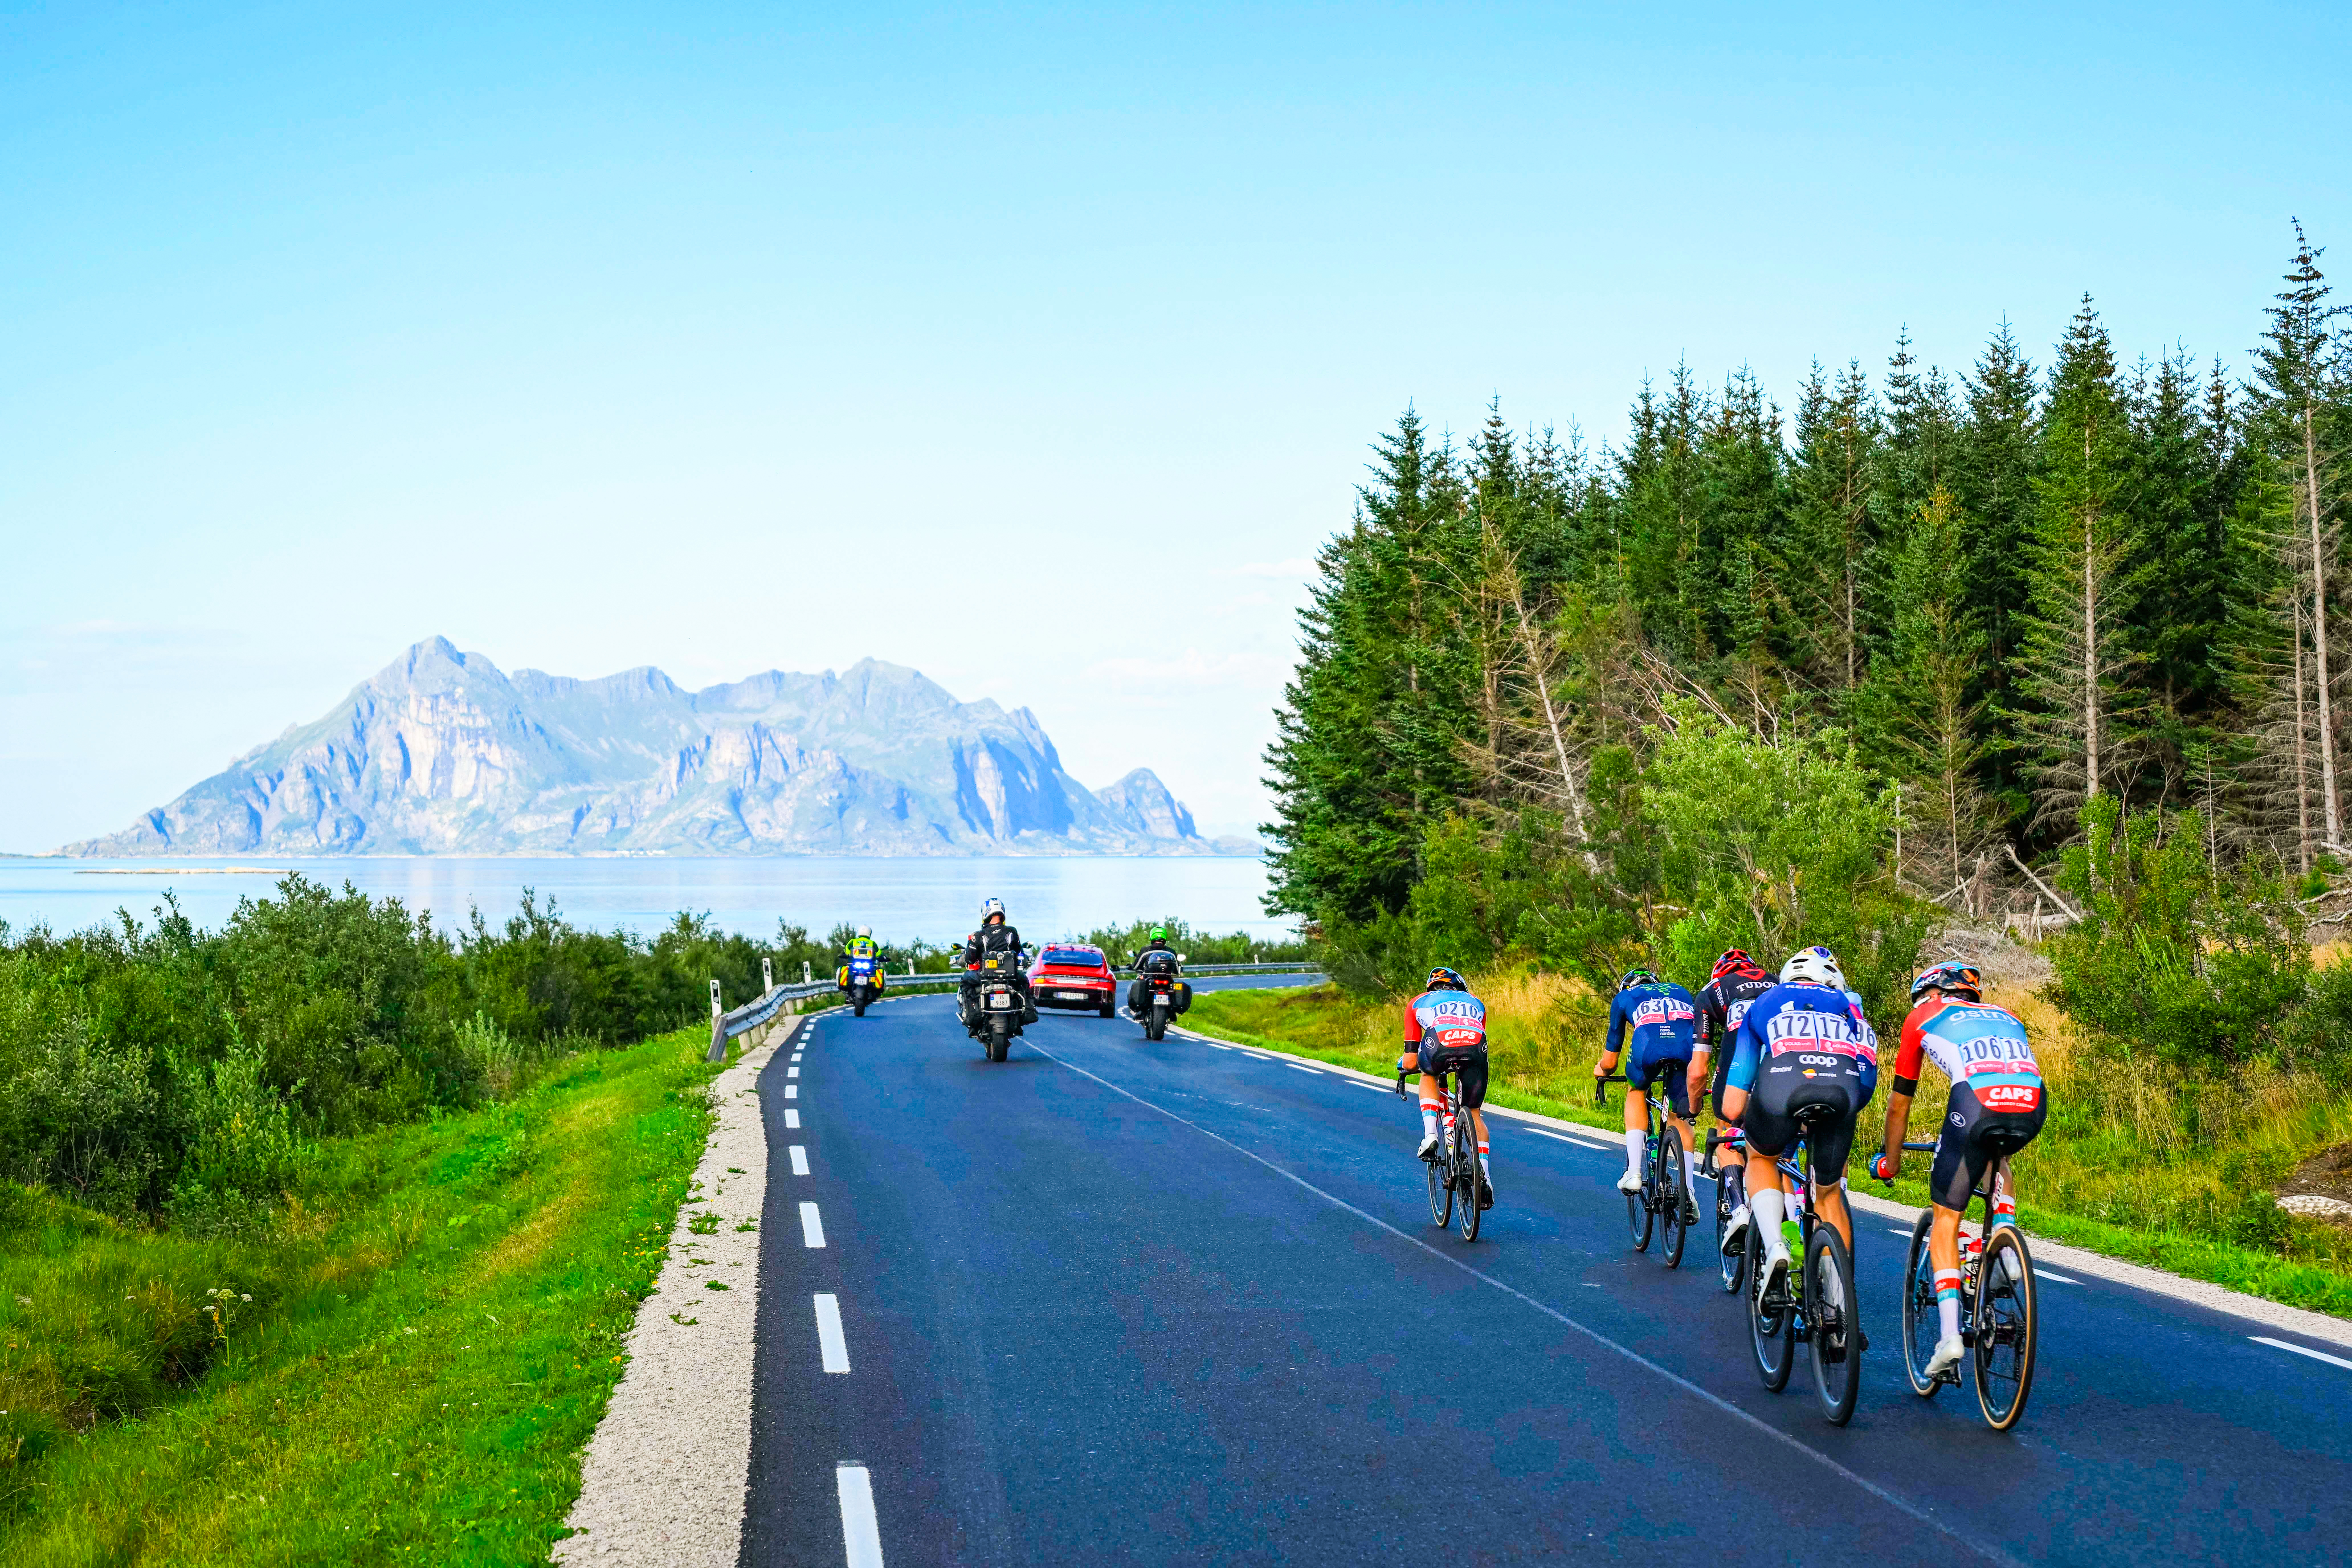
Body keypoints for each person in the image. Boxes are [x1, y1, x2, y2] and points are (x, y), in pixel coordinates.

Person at [1870, 959, 2047, 1380]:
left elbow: (1899, 1104)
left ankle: (1950, 1335)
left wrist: (1889, 1162)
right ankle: (2004, 1244)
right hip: (2032, 1102)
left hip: (1975, 1103)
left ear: (1933, 993)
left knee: (1946, 1219)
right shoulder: (2008, 1015)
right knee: (1997, 1156)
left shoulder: (1923, 1015)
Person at [1726, 946, 1879, 1298]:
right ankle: (1838, 1306)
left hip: (1781, 1089)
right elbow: (1866, 1083)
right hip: (1841, 1094)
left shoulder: (1761, 1003)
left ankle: (1777, 1244)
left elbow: (1733, 1104)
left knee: (1761, 1157)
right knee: (1828, 1195)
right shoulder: (1850, 1007)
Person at [1687, 948, 1777, 1247]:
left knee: (1727, 1131)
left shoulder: (1711, 992)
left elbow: (1699, 1070)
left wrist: (1693, 1105)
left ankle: (1739, 1207)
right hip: (1785, 1063)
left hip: (1739, 1056)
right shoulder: (1779, 982)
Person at [1593, 968, 1699, 1212]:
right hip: (1685, 1049)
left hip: (1648, 1046)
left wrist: (1601, 1071)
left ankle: (1634, 1173)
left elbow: (1610, 1062)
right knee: (1680, 1117)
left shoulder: (1624, 997)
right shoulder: (1680, 990)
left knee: (1637, 1091)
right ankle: (1689, 1194)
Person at [1400, 966, 1494, 1209]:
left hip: (1439, 1044)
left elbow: (1411, 1060)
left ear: (1431, 988)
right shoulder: (1477, 1002)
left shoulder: (1417, 1003)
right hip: (1475, 1047)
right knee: (1473, 1112)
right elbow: (1473, 1035)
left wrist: (1405, 1066)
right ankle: (1485, 1177)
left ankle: (1431, 1135)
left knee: (1427, 1073)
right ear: (1460, 987)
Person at [959, 899, 1037, 1031]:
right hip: (1010, 975)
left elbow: (970, 960)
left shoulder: (978, 936)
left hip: (985, 976)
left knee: (966, 981)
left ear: (985, 914)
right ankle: (1029, 1011)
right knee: (1024, 980)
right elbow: (1019, 952)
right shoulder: (1012, 932)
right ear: (1002, 913)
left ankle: (971, 1013)